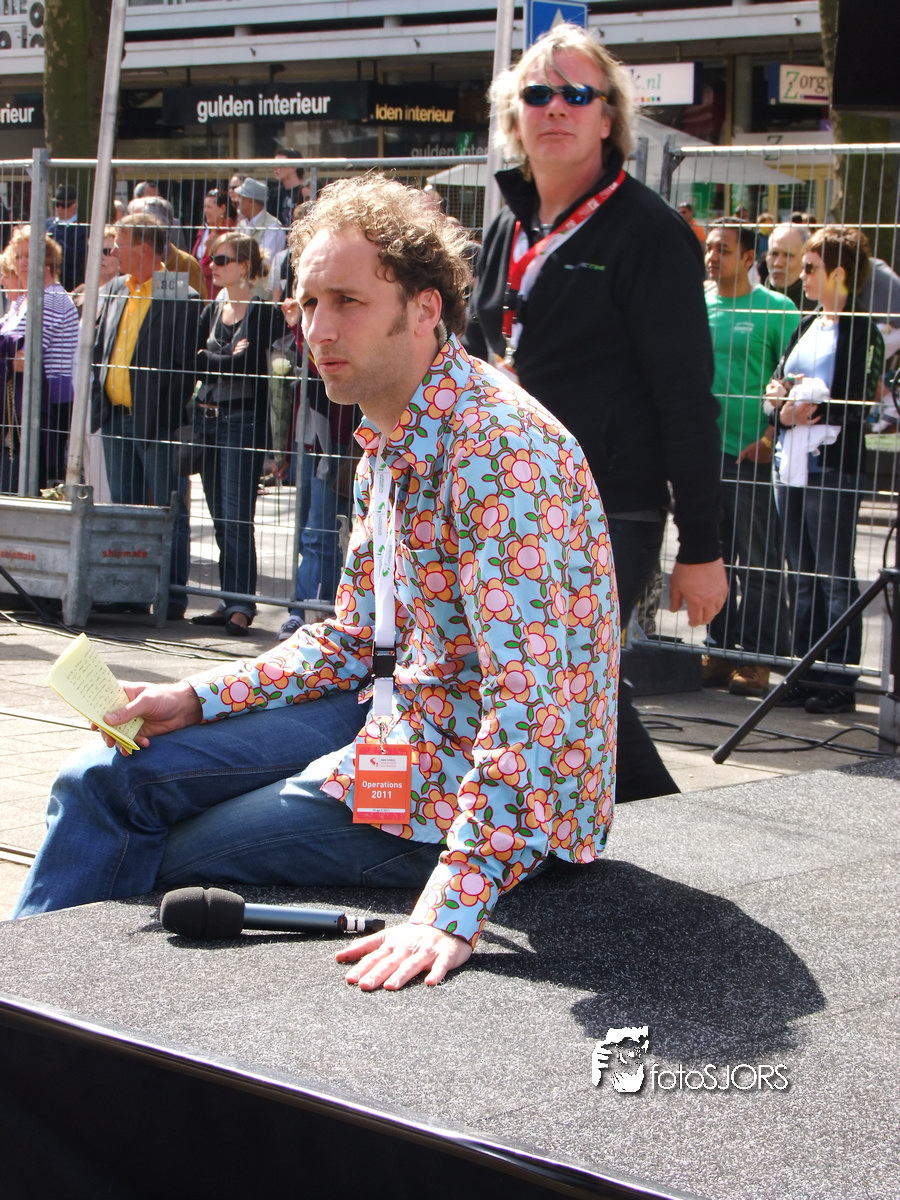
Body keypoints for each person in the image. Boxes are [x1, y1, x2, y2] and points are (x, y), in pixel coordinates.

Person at [12, 174, 618, 994]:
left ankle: (44, 1019)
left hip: (478, 790)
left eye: (348, 302)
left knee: (155, 841)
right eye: (307, 303)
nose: (318, 330)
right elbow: (352, 640)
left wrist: (452, 907)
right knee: (100, 776)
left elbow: (534, 707)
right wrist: (197, 697)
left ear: (426, 308)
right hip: (399, 717)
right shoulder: (391, 435)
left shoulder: (499, 452)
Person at [464, 23, 726, 803]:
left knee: (564, 674)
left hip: (610, 504)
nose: (557, 108)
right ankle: (598, 837)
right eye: (538, 93)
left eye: (578, 94)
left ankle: (658, 834)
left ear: (608, 117)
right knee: (556, 680)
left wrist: (702, 546)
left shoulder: (649, 232)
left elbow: (687, 396)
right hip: (514, 495)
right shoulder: (507, 226)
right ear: (514, 115)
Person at [766, 226, 885, 714]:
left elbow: (859, 400)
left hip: (832, 467)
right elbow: (774, 385)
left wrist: (805, 409)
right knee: (801, 573)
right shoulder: (807, 324)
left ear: (839, 273)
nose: (803, 276)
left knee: (834, 576)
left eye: (811, 268)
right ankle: (804, 670)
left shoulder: (862, 330)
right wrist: (780, 406)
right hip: (790, 464)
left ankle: (840, 678)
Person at [701, 218, 799, 696]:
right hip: (706, 455)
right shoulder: (698, 304)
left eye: (723, 249)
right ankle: (719, 650)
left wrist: (769, 436)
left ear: (747, 258)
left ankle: (757, 659)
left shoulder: (777, 310)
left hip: (754, 456)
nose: (712, 256)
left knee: (758, 561)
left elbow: (793, 378)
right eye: (709, 247)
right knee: (714, 557)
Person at [91, 213, 200, 620]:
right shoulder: (114, 289)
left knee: (169, 510)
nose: (114, 252)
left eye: (119, 244)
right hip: (115, 417)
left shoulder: (178, 293)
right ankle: (132, 593)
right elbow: (103, 347)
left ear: (144, 248)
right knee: (127, 509)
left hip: (157, 423)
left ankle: (171, 597)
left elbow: (185, 365)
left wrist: (165, 414)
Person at [190, 233, 287, 637]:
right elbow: (193, 359)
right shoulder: (214, 308)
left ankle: (241, 605)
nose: (212, 266)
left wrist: (215, 359)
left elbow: (246, 367)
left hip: (242, 422)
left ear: (245, 265)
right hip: (208, 420)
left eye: (222, 259)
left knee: (236, 516)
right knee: (218, 516)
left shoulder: (262, 312)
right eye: (212, 258)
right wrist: (223, 358)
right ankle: (227, 598)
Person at [0, 226, 80, 493]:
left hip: (49, 408)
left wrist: (7, 353)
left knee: (39, 483)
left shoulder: (51, 299)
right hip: (21, 405)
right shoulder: (24, 299)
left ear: (47, 260)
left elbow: (27, 359)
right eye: (18, 256)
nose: (22, 262)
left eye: (29, 255)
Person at [193, 187, 237, 301]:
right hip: (198, 284)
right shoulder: (204, 229)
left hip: (215, 288)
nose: (206, 211)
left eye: (209, 207)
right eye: (205, 207)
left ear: (222, 208)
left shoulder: (229, 231)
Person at [762, 223, 814, 313]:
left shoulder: (820, 307)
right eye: (774, 254)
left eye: (788, 255)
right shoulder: (752, 301)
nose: (777, 263)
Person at [46, 184, 87, 293]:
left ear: (75, 205)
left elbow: (77, 258)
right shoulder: (47, 224)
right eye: (57, 204)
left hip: (69, 284)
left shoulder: (82, 229)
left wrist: (56, 239)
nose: (60, 208)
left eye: (65, 205)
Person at [236, 177, 286, 263]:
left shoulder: (273, 227)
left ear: (251, 201)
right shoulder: (241, 224)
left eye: (241, 197)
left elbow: (265, 259)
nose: (238, 201)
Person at [268, 148, 308, 229]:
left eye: (280, 164)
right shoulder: (275, 194)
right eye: (274, 164)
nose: (275, 168)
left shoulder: (306, 192)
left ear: (294, 166)